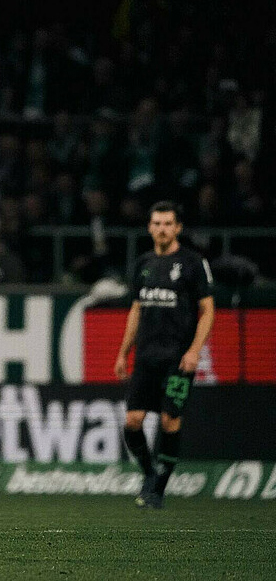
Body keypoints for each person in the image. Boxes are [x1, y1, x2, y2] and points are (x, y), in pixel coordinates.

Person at [114, 201, 214, 509]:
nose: (162, 228)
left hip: (177, 358)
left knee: (170, 419)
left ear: (178, 228)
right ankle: (150, 474)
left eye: (168, 223)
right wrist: (123, 352)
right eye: (157, 223)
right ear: (149, 227)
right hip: (146, 356)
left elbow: (208, 310)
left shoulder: (193, 263)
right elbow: (135, 309)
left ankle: (158, 489)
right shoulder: (143, 263)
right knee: (132, 422)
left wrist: (195, 350)